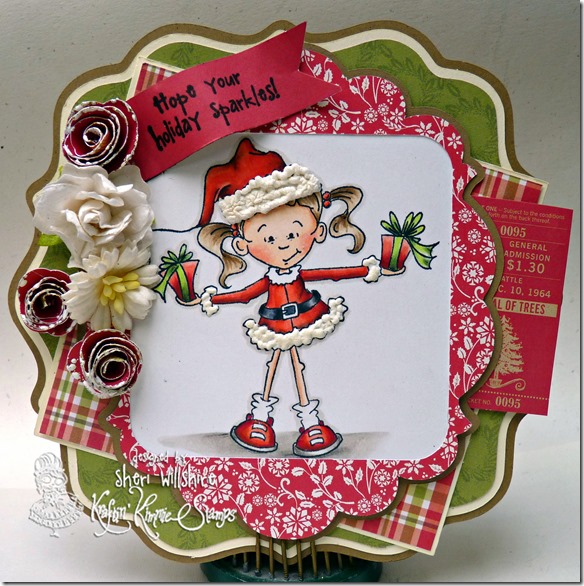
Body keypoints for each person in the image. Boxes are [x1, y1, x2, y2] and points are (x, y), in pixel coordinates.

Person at [183, 137, 403, 457]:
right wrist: (211, 300)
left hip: (306, 316)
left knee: (296, 368)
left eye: (293, 232)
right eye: (268, 238)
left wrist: (369, 269)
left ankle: (310, 427)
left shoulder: (297, 273)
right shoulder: (269, 279)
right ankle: (262, 423)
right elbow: (244, 294)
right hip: (274, 325)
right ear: (242, 245)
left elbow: (331, 273)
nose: (284, 244)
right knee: (276, 367)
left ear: (318, 230)